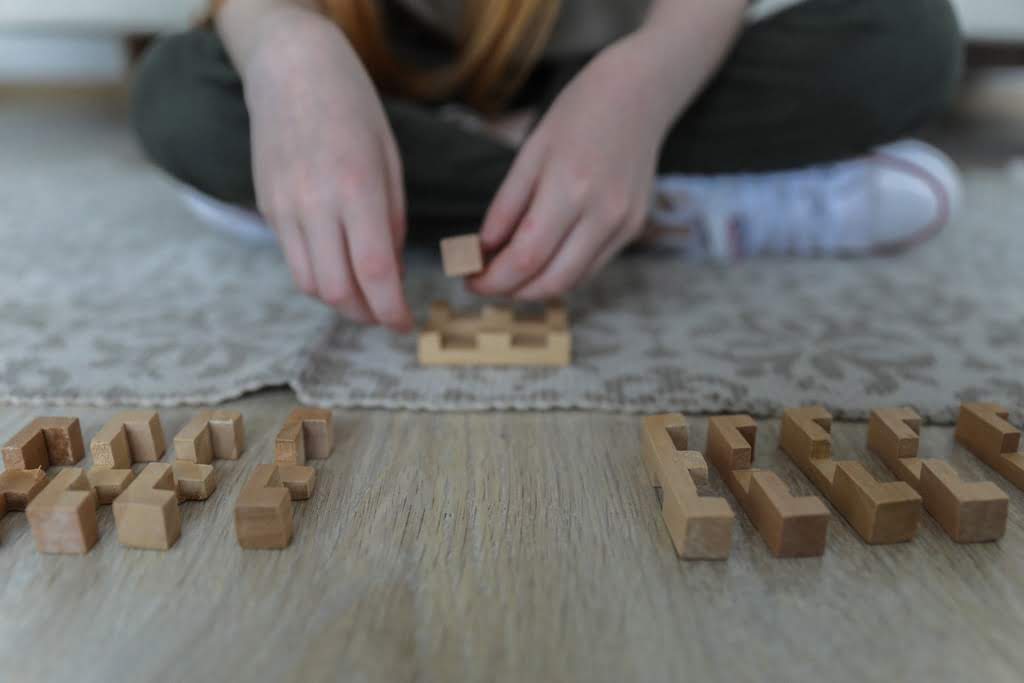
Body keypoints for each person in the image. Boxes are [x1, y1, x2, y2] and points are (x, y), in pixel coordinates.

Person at [133, 0, 964, 332]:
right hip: (379, 82)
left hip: (607, 65)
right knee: (180, 95)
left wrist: (643, 83)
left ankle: (353, 195)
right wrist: (288, 49)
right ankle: (665, 206)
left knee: (908, 36)